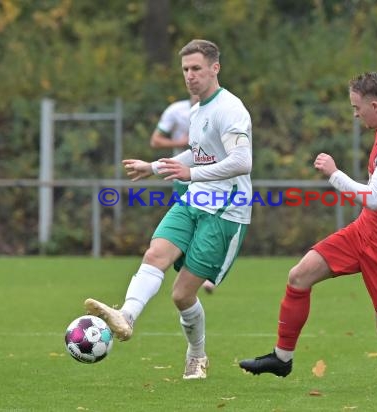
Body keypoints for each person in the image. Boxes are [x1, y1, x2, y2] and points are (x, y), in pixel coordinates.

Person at [239, 72, 377, 389]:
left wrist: (334, 174)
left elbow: (375, 197)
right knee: (299, 275)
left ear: (374, 105)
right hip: (364, 232)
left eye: (356, 108)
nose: (355, 114)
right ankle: (281, 358)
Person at [85, 39, 253, 380]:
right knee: (154, 255)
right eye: (185, 70)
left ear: (215, 68)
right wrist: (154, 167)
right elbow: (197, 152)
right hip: (195, 198)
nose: (190, 76)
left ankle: (197, 354)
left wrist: (192, 174)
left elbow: (242, 161)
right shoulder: (196, 111)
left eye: (196, 69)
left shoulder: (230, 109)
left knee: (181, 295)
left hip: (226, 211)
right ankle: (126, 317)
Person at [149, 94, 216, 294]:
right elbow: (155, 141)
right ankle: (192, 271)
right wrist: (181, 142)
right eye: (189, 71)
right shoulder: (176, 111)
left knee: (210, 223)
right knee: (189, 225)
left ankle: (203, 272)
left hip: (208, 175)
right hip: (182, 177)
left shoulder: (219, 110)